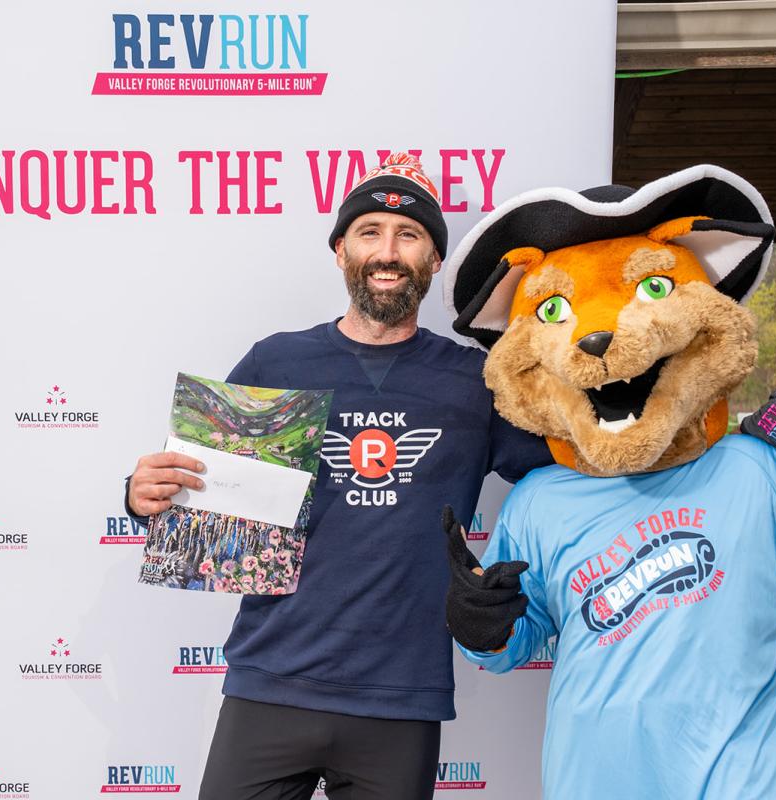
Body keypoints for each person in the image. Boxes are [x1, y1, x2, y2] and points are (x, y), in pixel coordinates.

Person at [125, 153, 553, 800]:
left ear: (434, 260)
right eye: (369, 232)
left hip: (402, 694)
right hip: (271, 680)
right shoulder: (277, 359)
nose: (388, 251)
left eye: (409, 236)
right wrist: (142, 498)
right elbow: (203, 511)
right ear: (340, 250)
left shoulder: (476, 380)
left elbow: (564, 479)